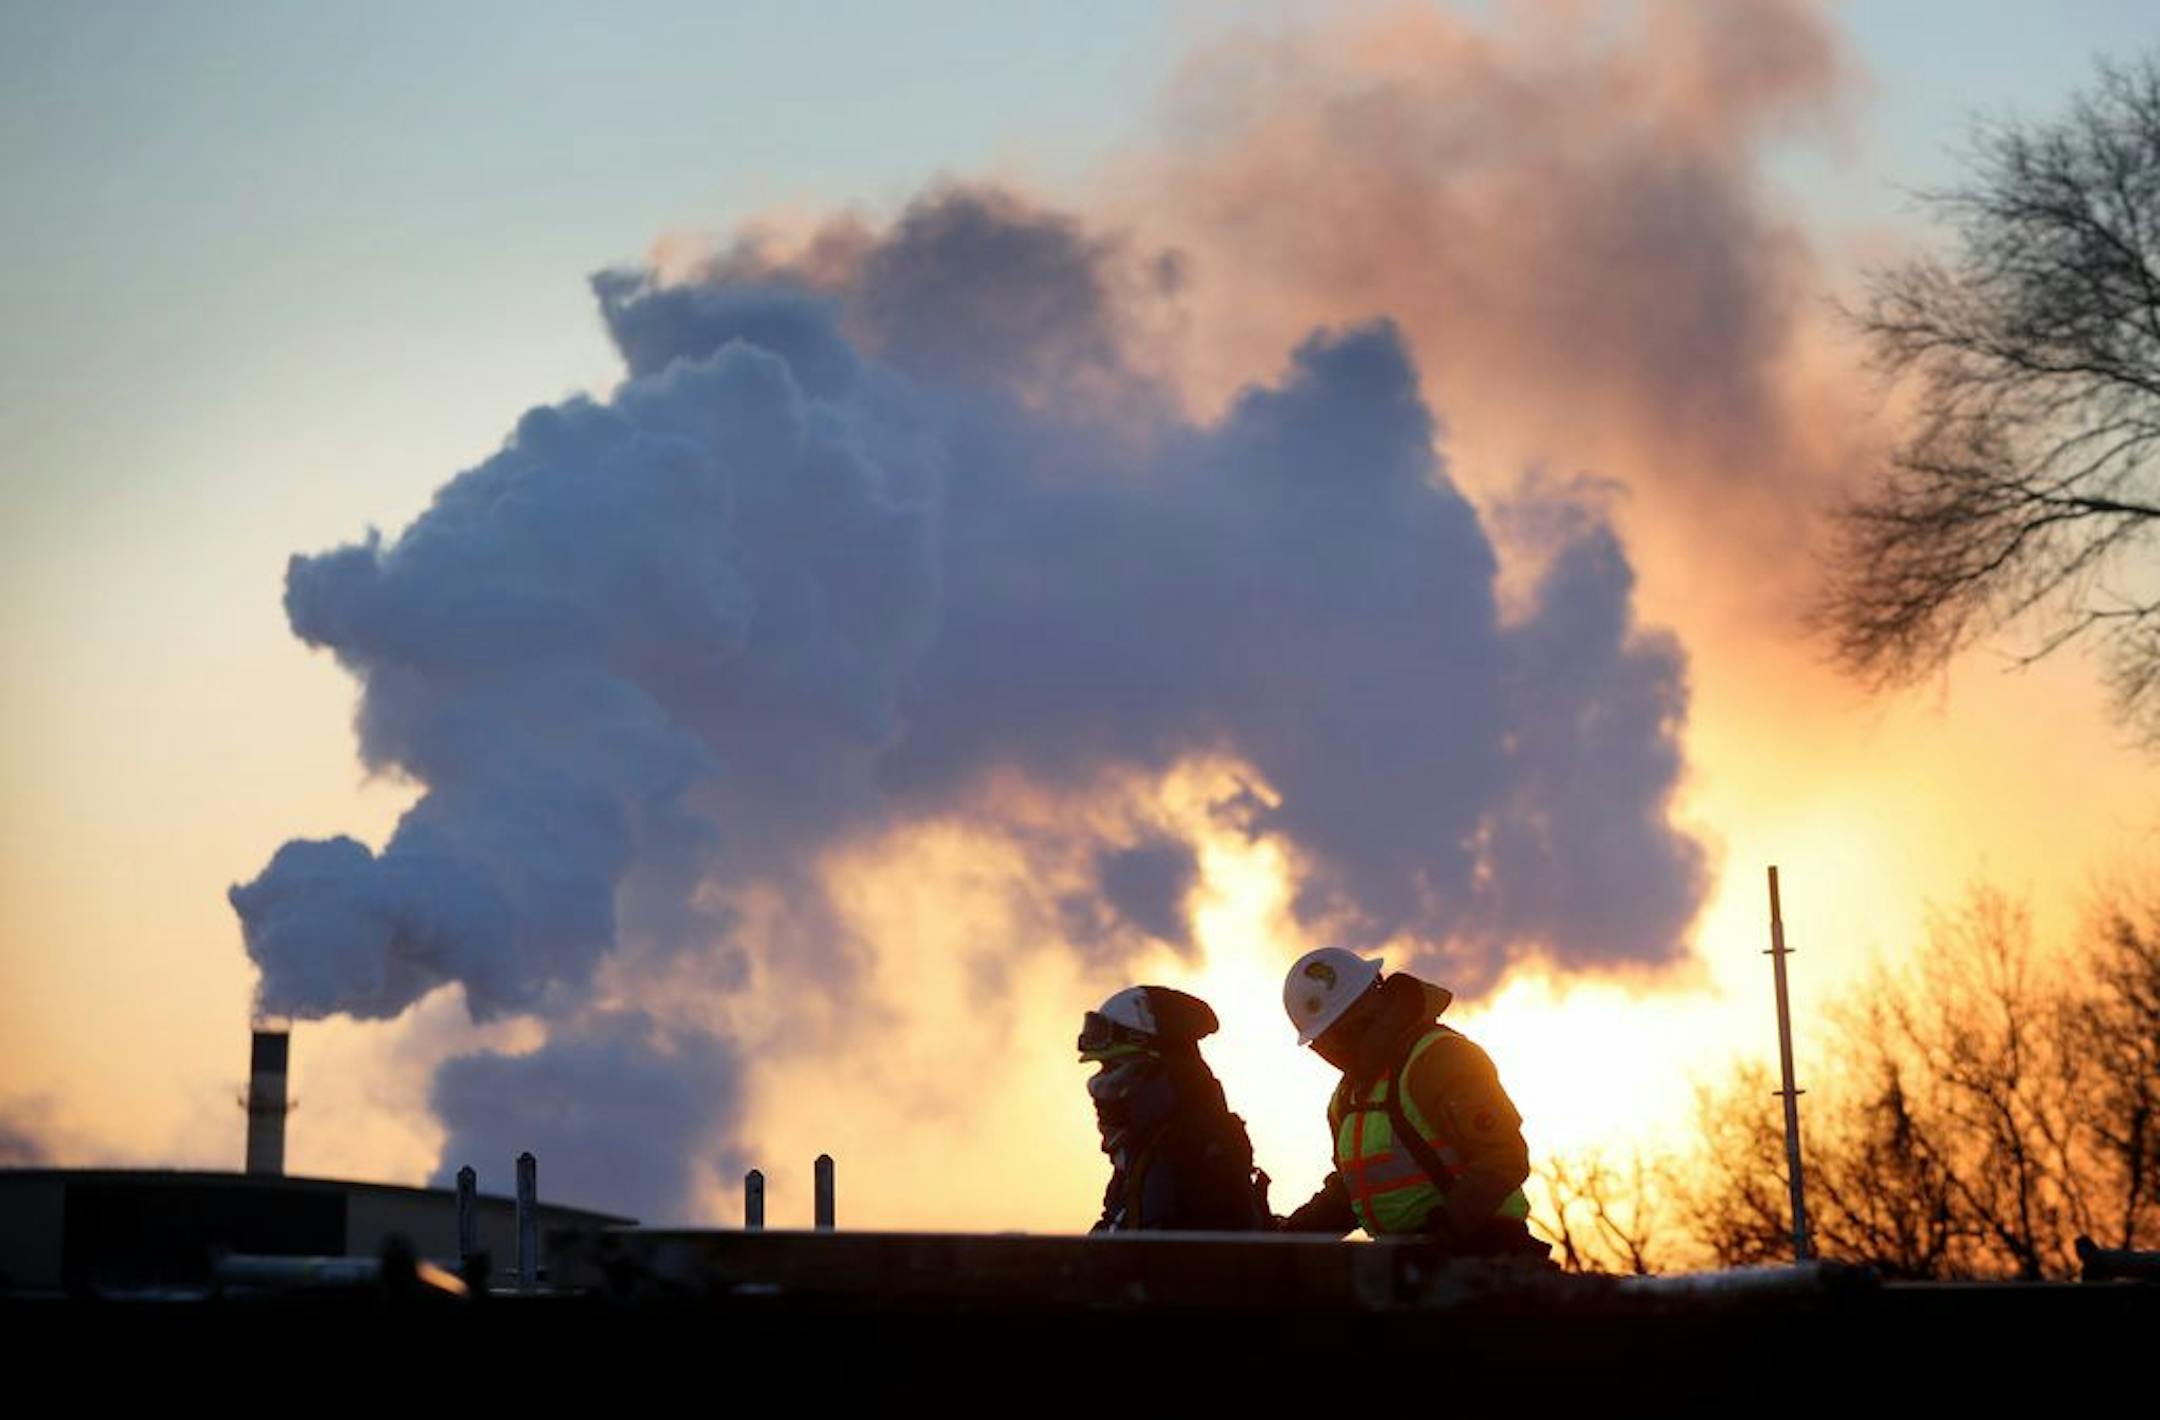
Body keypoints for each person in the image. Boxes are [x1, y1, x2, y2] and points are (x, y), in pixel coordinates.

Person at [1277, 946, 1549, 1262]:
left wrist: (1444, 1232)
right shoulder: (1347, 1099)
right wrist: (1286, 1237)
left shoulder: (1439, 1059)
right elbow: (1352, 1192)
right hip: (1408, 1263)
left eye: (1336, 1036)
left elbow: (1504, 1156)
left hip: (1486, 1253)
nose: (1330, 1052)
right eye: (1321, 1043)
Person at [1078, 985, 1270, 1232]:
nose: (1101, 1087)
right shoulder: (1141, 1154)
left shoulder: (1198, 1154)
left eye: (1114, 1067)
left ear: (1159, 1069)